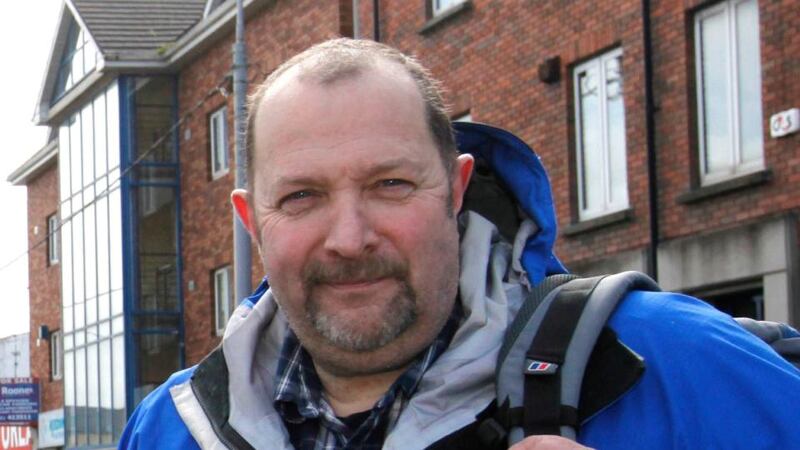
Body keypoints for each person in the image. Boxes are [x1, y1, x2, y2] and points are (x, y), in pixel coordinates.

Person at [119, 38, 800, 450]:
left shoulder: (670, 359)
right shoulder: (169, 429)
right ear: (251, 219)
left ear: (454, 188)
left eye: (389, 184)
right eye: (301, 197)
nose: (350, 238)